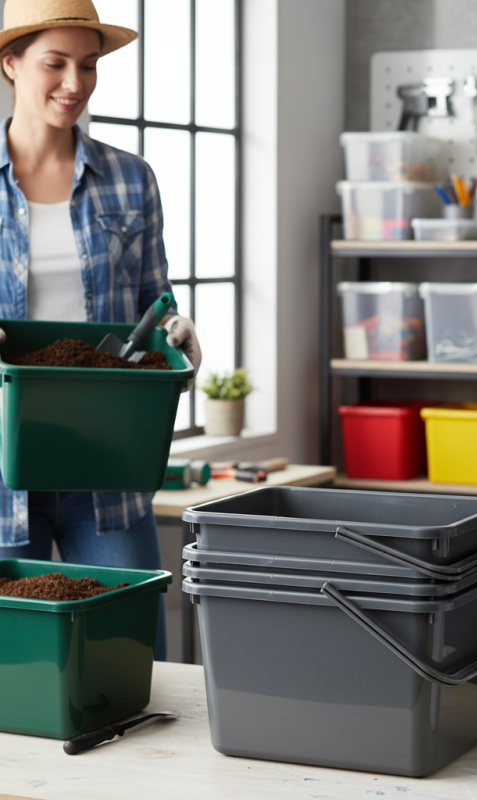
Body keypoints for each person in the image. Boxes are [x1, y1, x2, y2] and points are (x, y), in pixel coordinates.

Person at [0, 0, 203, 661]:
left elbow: (153, 301)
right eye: (54, 63)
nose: (74, 83)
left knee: (131, 645)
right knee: (12, 659)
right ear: (10, 64)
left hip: (107, 463)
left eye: (87, 66)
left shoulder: (130, 180)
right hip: (7, 464)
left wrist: (176, 329)